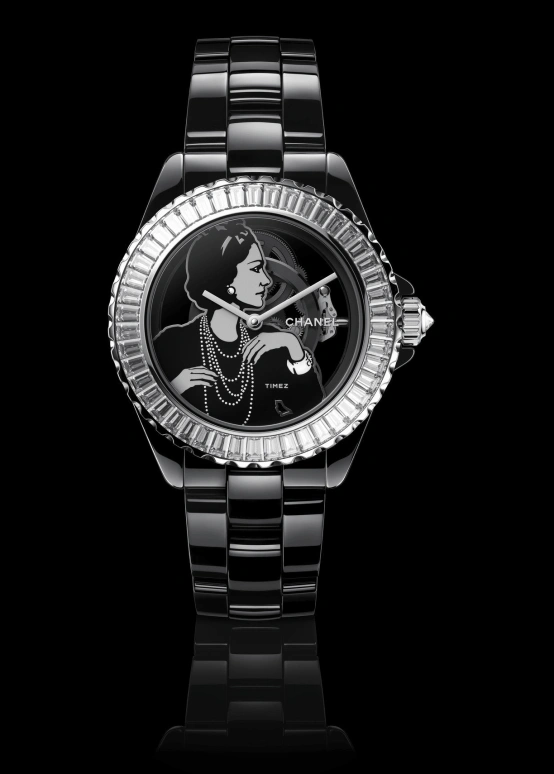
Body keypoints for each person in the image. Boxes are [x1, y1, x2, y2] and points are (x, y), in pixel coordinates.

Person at [154, 220, 324, 426]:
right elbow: (151, 406)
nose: (267, 280)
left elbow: (313, 410)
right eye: (256, 268)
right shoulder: (172, 343)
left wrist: (294, 346)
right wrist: (175, 387)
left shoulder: (271, 343)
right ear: (224, 276)